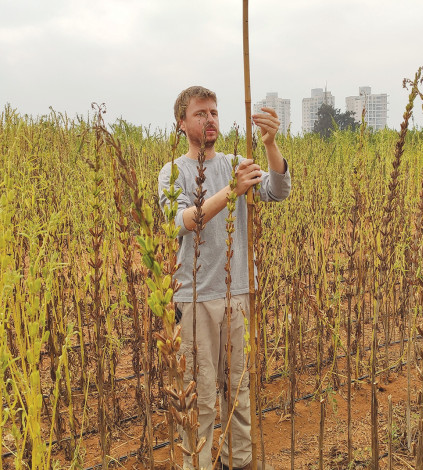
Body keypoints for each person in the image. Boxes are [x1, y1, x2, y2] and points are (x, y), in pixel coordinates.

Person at [158, 86, 291, 470]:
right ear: (182, 123)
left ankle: (240, 462)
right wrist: (231, 190)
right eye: (200, 113)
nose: (210, 118)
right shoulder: (174, 172)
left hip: (237, 294)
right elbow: (179, 222)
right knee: (198, 397)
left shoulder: (236, 162)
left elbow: (279, 190)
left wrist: (270, 145)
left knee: (238, 392)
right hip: (195, 299)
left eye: (214, 111)